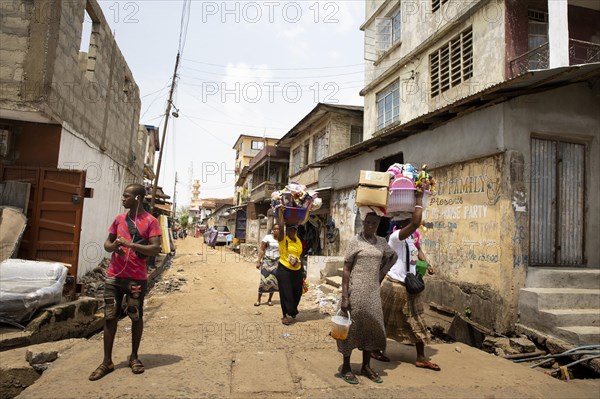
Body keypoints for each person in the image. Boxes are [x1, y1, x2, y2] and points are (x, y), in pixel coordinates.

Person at [89, 184, 162, 381]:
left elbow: (155, 248)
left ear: (137, 198)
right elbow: (107, 243)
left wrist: (130, 244)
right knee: (110, 317)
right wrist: (112, 247)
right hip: (114, 276)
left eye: (126, 196)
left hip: (136, 278)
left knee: (136, 317)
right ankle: (107, 362)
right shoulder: (119, 219)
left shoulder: (151, 222)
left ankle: (134, 357)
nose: (123, 199)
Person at [378, 186, 441, 371]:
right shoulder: (395, 237)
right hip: (393, 285)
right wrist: (419, 199)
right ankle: (374, 349)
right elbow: (416, 223)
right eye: (408, 219)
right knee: (382, 320)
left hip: (409, 286)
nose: (411, 222)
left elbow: (418, 251)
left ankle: (421, 357)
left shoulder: (412, 238)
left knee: (417, 321)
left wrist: (427, 263)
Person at [336, 209, 397, 385]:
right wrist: (345, 296)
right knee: (351, 329)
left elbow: (393, 256)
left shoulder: (382, 242)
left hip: (372, 294)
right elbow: (346, 269)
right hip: (355, 292)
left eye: (375, 223)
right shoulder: (355, 241)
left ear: (378, 225)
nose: (371, 226)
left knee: (371, 328)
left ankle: (366, 366)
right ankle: (346, 367)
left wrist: (382, 272)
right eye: (368, 222)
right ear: (363, 223)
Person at [275, 207, 304, 325]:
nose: (293, 232)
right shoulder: (283, 239)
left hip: (297, 270)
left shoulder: (297, 240)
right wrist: (281, 214)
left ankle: (292, 310)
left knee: (297, 292)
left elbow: (300, 254)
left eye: (294, 230)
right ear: (287, 231)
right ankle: (284, 315)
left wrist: (302, 268)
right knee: (285, 293)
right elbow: (281, 228)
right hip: (284, 270)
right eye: (291, 230)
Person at [254, 225, 280, 306]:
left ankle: (269, 299)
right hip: (267, 261)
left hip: (276, 261)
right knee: (263, 280)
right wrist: (258, 261)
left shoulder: (281, 239)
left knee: (273, 280)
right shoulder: (267, 237)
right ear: (272, 230)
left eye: (278, 229)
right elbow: (262, 249)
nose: (276, 230)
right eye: (275, 229)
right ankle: (259, 299)